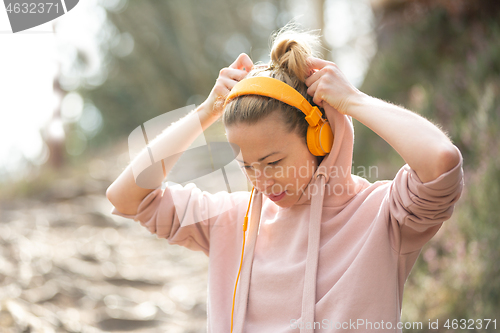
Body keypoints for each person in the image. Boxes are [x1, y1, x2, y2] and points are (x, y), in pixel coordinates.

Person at [106, 27, 464, 333]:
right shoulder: (232, 221)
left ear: (319, 139)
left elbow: (440, 161)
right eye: (247, 166)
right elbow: (126, 196)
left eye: (273, 161)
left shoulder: (384, 216)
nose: (261, 180)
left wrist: (353, 100)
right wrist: (205, 112)